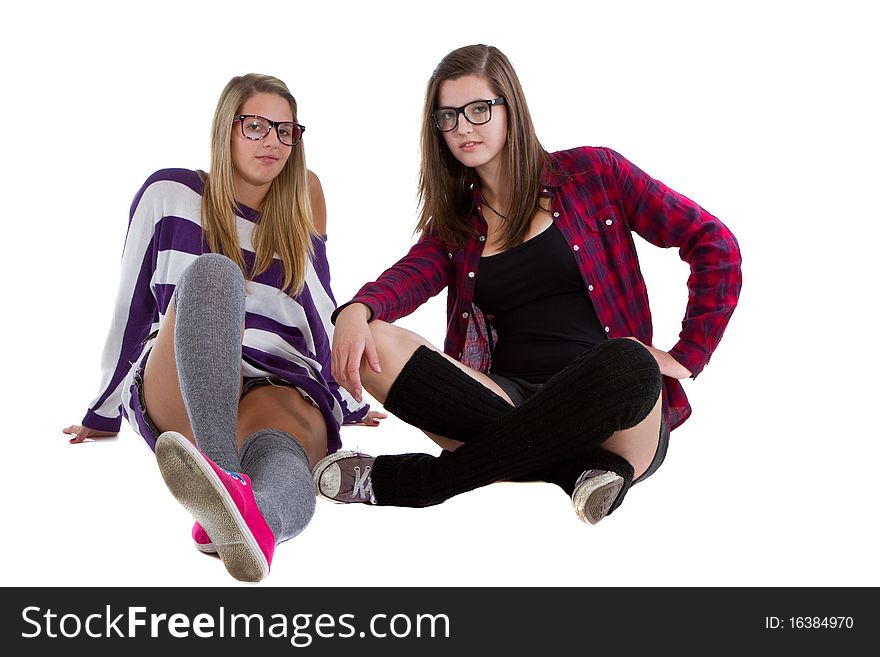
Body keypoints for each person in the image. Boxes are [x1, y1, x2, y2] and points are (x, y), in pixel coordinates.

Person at [314, 44, 741, 524]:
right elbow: (407, 277)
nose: (463, 128)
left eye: (479, 109)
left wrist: (690, 355)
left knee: (631, 360)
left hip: (614, 414)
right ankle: (576, 473)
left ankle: (426, 483)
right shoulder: (457, 227)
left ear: (510, 107)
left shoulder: (593, 173)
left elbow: (714, 243)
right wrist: (354, 311)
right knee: (372, 338)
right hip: (502, 400)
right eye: (448, 117)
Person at [63, 73, 383, 582]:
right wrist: (103, 411)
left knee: (284, 458)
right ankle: (221, 473)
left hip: (278, 376)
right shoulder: (169, 191)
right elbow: (131, 305)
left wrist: (348, 399)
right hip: (186, 369)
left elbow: (319, 300)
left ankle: (255, 523)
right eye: (255, 126)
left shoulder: (305, 194)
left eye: (285, 131)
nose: (272, 142)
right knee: (215, 273)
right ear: (225, 128)